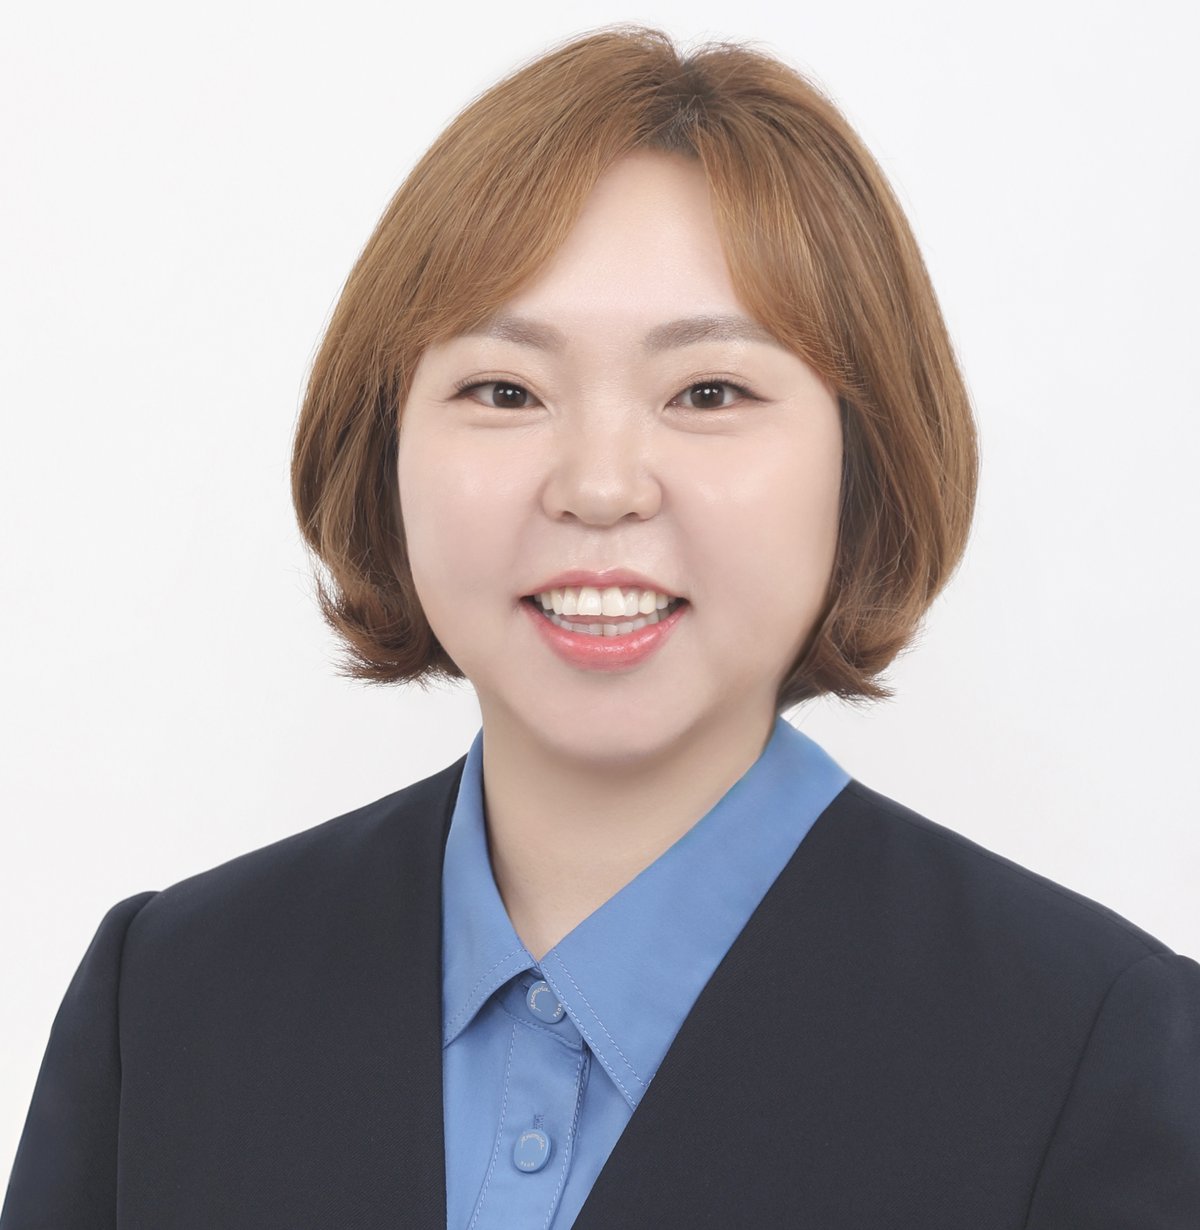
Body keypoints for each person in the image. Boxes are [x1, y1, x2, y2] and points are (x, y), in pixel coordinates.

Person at [2, 23, 1197, 1229]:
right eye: (504, 390)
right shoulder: (166, 998)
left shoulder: (1103, 1056)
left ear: (862, 459)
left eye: (710, 392)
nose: (600, 485)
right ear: (385, 447)